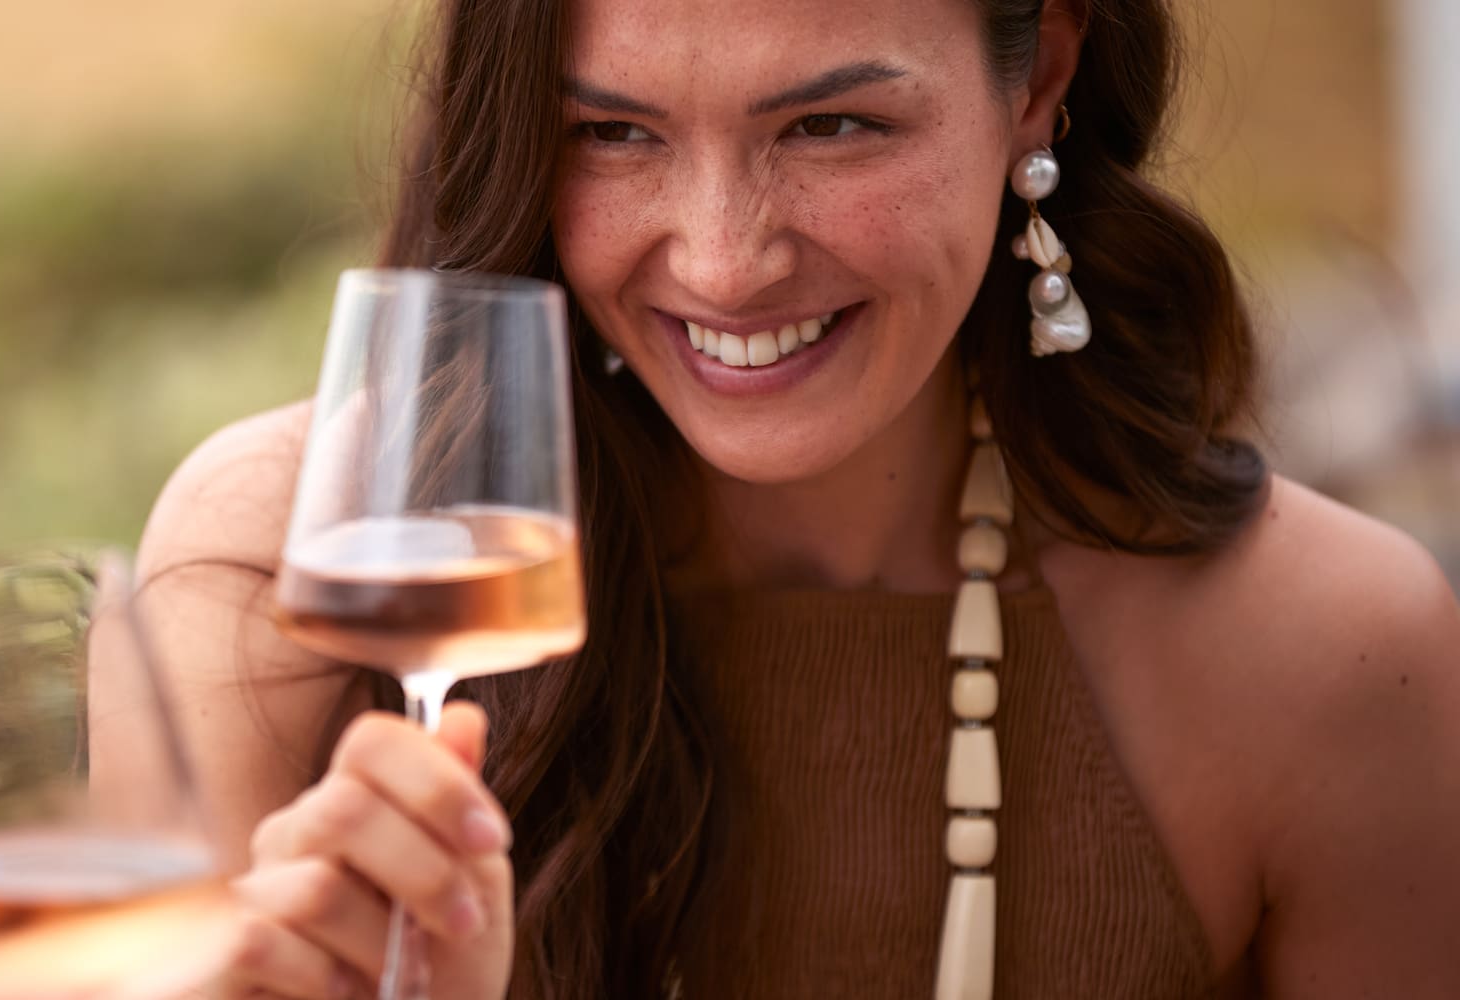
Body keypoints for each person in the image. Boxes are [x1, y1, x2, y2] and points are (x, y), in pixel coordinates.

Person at [136, 0, 1460, 997]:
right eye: (612, 131)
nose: (721, 259)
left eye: (833, 125)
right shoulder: (291, 568)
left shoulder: (1332, 659)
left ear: (1038, 82)